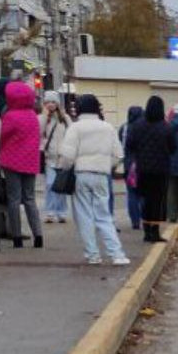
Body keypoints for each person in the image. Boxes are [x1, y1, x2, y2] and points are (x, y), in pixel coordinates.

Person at [57, 94, 128, 265]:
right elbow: (119, 154)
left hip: (81, 174)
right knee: (104, 215)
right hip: (102, 175)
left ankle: (93, 254)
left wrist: (66, 168)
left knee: (84, 216)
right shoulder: (108, 127)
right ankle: (117, 254)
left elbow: (67, 156)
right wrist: (107, 165)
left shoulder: (75, 128)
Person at [0, 79, 43, 248]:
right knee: (30, 198)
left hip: (11, 162)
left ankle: (17, 237)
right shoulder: (33, 116)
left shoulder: (10, 116)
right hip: (30, 162)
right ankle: (38, 235)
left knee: (14, 199)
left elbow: (2, 137)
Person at [126, 96, 174, 243]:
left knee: (145, 200)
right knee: (158, 201)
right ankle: (155, 232)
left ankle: (146, 232)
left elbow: (130, 144)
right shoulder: (165, 127)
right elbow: (173, 147)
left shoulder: (138, 125)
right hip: (160, 170)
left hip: (142, 169)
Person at [40, 91, 71, 223]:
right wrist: (44, 117)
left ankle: (61, 212)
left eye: (53, 102)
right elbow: (38, 134)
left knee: (61, 186)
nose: (51, 105)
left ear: (58, 104)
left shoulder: (64, 118)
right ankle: (50, 212)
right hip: (49, 157)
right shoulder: (42, 118)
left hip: (63, 157)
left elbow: (71, 134)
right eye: (48, 102)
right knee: (50, 184)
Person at [118, 105, 144, 230]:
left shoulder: (124, 128)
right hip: (143, 164)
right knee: (144, 193)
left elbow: (121, 146)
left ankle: (135, 221)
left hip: (129, 165)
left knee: (132, 193)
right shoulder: (145, 127)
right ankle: (145, 217)